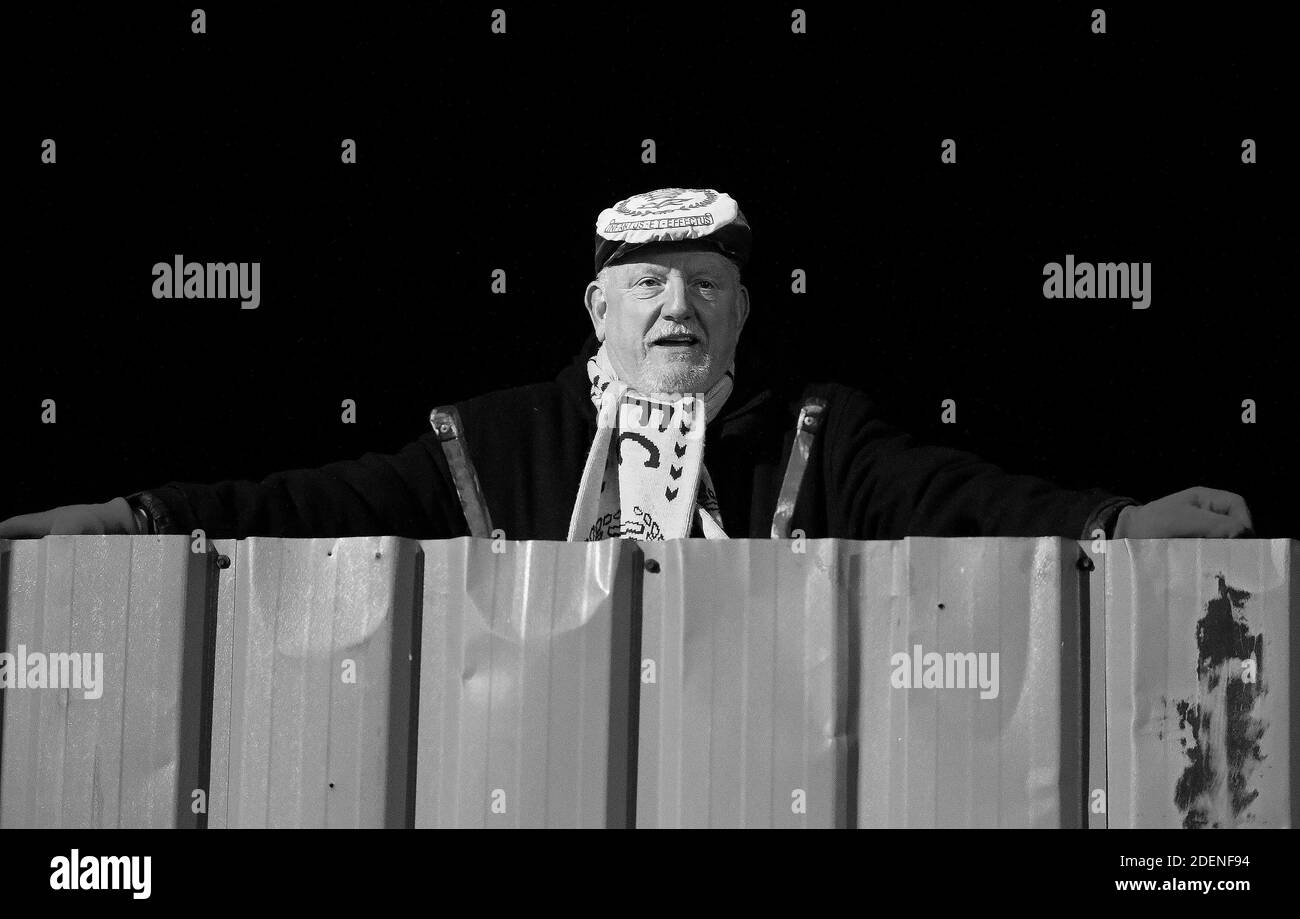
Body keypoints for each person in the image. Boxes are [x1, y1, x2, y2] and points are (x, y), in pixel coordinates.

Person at [0, 187, 1254, 543]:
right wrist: (133, 519)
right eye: (649, 285)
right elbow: (320, 506)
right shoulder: (493, 438)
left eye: (708, 286)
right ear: (596, 308)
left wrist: (1115, 525)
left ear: (744, 315)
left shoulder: (817, 430)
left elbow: (955, 497)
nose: (679, 306)